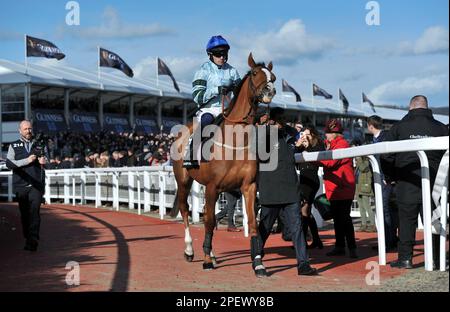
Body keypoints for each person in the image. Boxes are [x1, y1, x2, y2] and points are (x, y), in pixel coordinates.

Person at [381, 95, 447, 269]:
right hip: (436, 183)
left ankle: (405, 258)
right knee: (434, 221)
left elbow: (385, 154)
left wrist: (391, 176)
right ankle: (437, 258)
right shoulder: (441, 128)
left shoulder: (399, 127)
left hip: (406, 181)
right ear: (427, 107)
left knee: (406, 221)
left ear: (410, 108)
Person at [257, 107, 318, 276]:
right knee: (265, 227)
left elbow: (291, 150)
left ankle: (303, 264)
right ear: (270, 120)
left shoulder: (289, 134)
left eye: (284, 118)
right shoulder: (262, 136)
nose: (283, 121)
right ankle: (256, 255)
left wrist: (299, 143)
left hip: (290, 188)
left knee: (297, 228)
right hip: (270, 188)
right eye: (279, 118)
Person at [183, 35, 241, 168]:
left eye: (224, 54)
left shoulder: (232, 71)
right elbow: (197, 96)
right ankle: (191, 153)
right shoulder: (203, 70)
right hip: (208, 109)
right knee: (207, 120)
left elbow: (240, 92)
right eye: (218, 54)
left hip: (227, 109)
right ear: (210, 54)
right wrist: (217, 90)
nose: (222, 57)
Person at [6, 120, 47, 252]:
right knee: (25, 215)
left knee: (35, 212)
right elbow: (9, 164)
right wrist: (26, 161)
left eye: (30, 128)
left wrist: (44, 161)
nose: (28, 131)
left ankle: (33, 239)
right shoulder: (13, 145)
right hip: (20, 185)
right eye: (25, 129)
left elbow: (46, 164)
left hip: (36, 185)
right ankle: (28, 237)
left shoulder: (39, 144)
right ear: (20, 131)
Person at [319, 119, 358, 259]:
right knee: (338, 219)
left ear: (334, 134)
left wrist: (315, 157)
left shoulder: (341, 144)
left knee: (345, 219)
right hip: (335, 188)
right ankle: (340, 246)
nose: (326, 136)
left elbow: (330, 162)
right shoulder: (332, 144)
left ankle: (351, 247)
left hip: (343, 188)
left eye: (327, 133)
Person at [367, 115, 398, 250]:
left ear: (370, 126)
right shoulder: (374, 140)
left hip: (385, 180)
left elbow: (390, 159)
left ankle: (389, 241)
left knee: (385, 210)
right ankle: (388, 240)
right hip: (376, 179)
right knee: (384, 210)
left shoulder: (386, 138)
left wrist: (389, 176)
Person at [295, 125, 325, 249]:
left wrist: (308, 147)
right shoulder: (302, 145)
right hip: (303, 180)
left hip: (311, 179)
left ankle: (303, 242)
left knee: (304, 210)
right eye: (303, 134)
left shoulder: (317, 144)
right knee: (306, 211)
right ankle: (316, 240)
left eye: (307, 134)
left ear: (313, 135)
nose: (305, 137)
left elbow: (319, 157)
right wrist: (298, 145)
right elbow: (293, 156)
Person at [352, 140, 376, 233]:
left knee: (366, 206)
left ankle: (372, 225)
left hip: (364, 184)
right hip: (358, 184)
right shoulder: (360, 159)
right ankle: (363, 224)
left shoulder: (366, 159)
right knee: (361, 206)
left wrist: (358, 158)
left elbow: (363, 168)